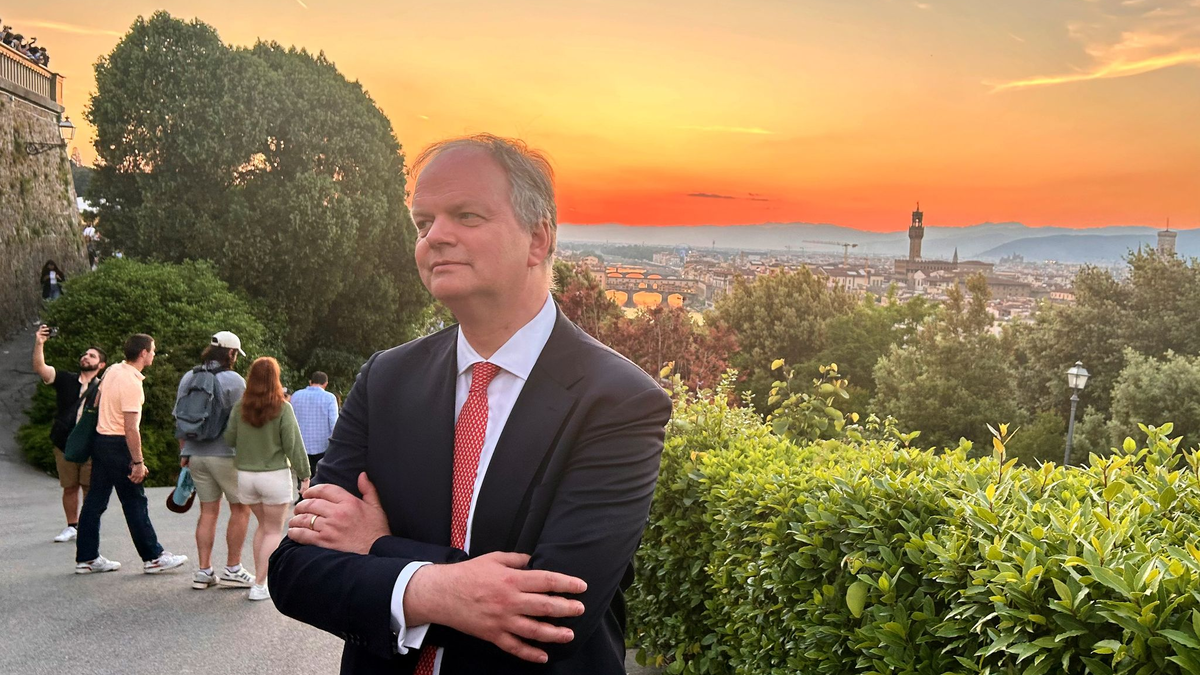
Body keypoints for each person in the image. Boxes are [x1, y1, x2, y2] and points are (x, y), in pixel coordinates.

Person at [270, 135, 672, 674]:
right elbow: (295, 571)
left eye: (466, 215)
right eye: (422, 223)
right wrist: (446, 588)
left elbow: (555, 620)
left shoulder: (621, 401)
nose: (435, 236)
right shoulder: (385, 378)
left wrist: (377, 546)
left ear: (538, 238)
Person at [75, 334, 188, 574]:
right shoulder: (133, 383)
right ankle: (153, 557)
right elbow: (130, 428)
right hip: (118, 444)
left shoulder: (113, 370)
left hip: (100, 440)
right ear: (143, 353)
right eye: (153, 350)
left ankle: (86, 557)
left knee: (95, 501)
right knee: (134, 500)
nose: (154, 354)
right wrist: (138, 462)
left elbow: (96, 399)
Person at [225, 357, 311, 601]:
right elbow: (293, 445)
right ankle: (261, 585)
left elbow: (229, 438)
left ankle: (258, 578)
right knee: (273, 530)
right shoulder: (283, 408)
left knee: (262, 527)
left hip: (246, 476)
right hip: (273, 475)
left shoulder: (240, 407)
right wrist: (304, 475)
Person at [175, 331, 253, 590]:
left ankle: (203, 571)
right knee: (241, 509)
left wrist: (184, 453)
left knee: (208, 511)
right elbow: (244, 422)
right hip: (226, 455)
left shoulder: (190, 376)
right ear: (231, 353)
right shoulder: (235, 380)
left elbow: (180, 418)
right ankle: (233, 568)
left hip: (196, 454)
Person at [32, 325, 106, 543]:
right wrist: (39, 343)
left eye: (91, 356)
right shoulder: (65, 379)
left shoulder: (104, 387)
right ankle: (71, 526)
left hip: (91, 444)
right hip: (64, 442)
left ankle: (87, 525)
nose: (85, 357)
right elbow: (40, 367)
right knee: (69, 486)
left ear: (101, 365)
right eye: (85, 354)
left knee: (88, 487)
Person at [289, 371, 339, 474]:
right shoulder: (330, 398)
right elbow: (334, 424)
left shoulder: (296, 396)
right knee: (319, 479)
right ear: (326, 384)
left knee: (303, 478)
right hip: (323, 446)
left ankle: (302, 489)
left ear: (310, 382)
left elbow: (290, 420)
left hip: (300, 446)